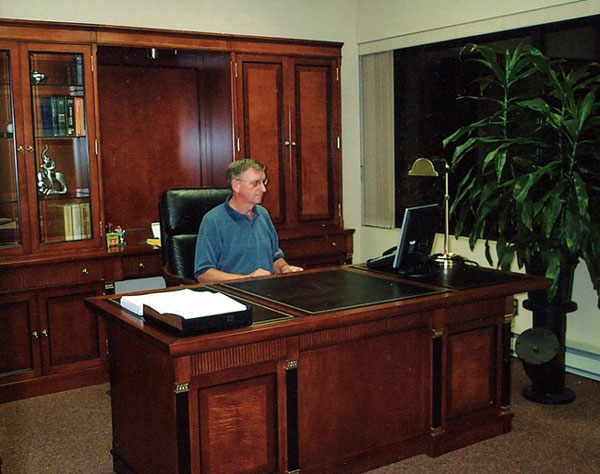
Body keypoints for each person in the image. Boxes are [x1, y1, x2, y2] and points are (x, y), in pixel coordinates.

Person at [194, 159, 303, 283]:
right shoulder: (213, 220)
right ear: (236, 185)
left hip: (266, 292)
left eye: (264, 182)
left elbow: (275, 258)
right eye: (256, 183)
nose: (263, 189)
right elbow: (203, 274)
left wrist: (284, 268)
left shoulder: (263, 214)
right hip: (233, 295)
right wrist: (247, 279)